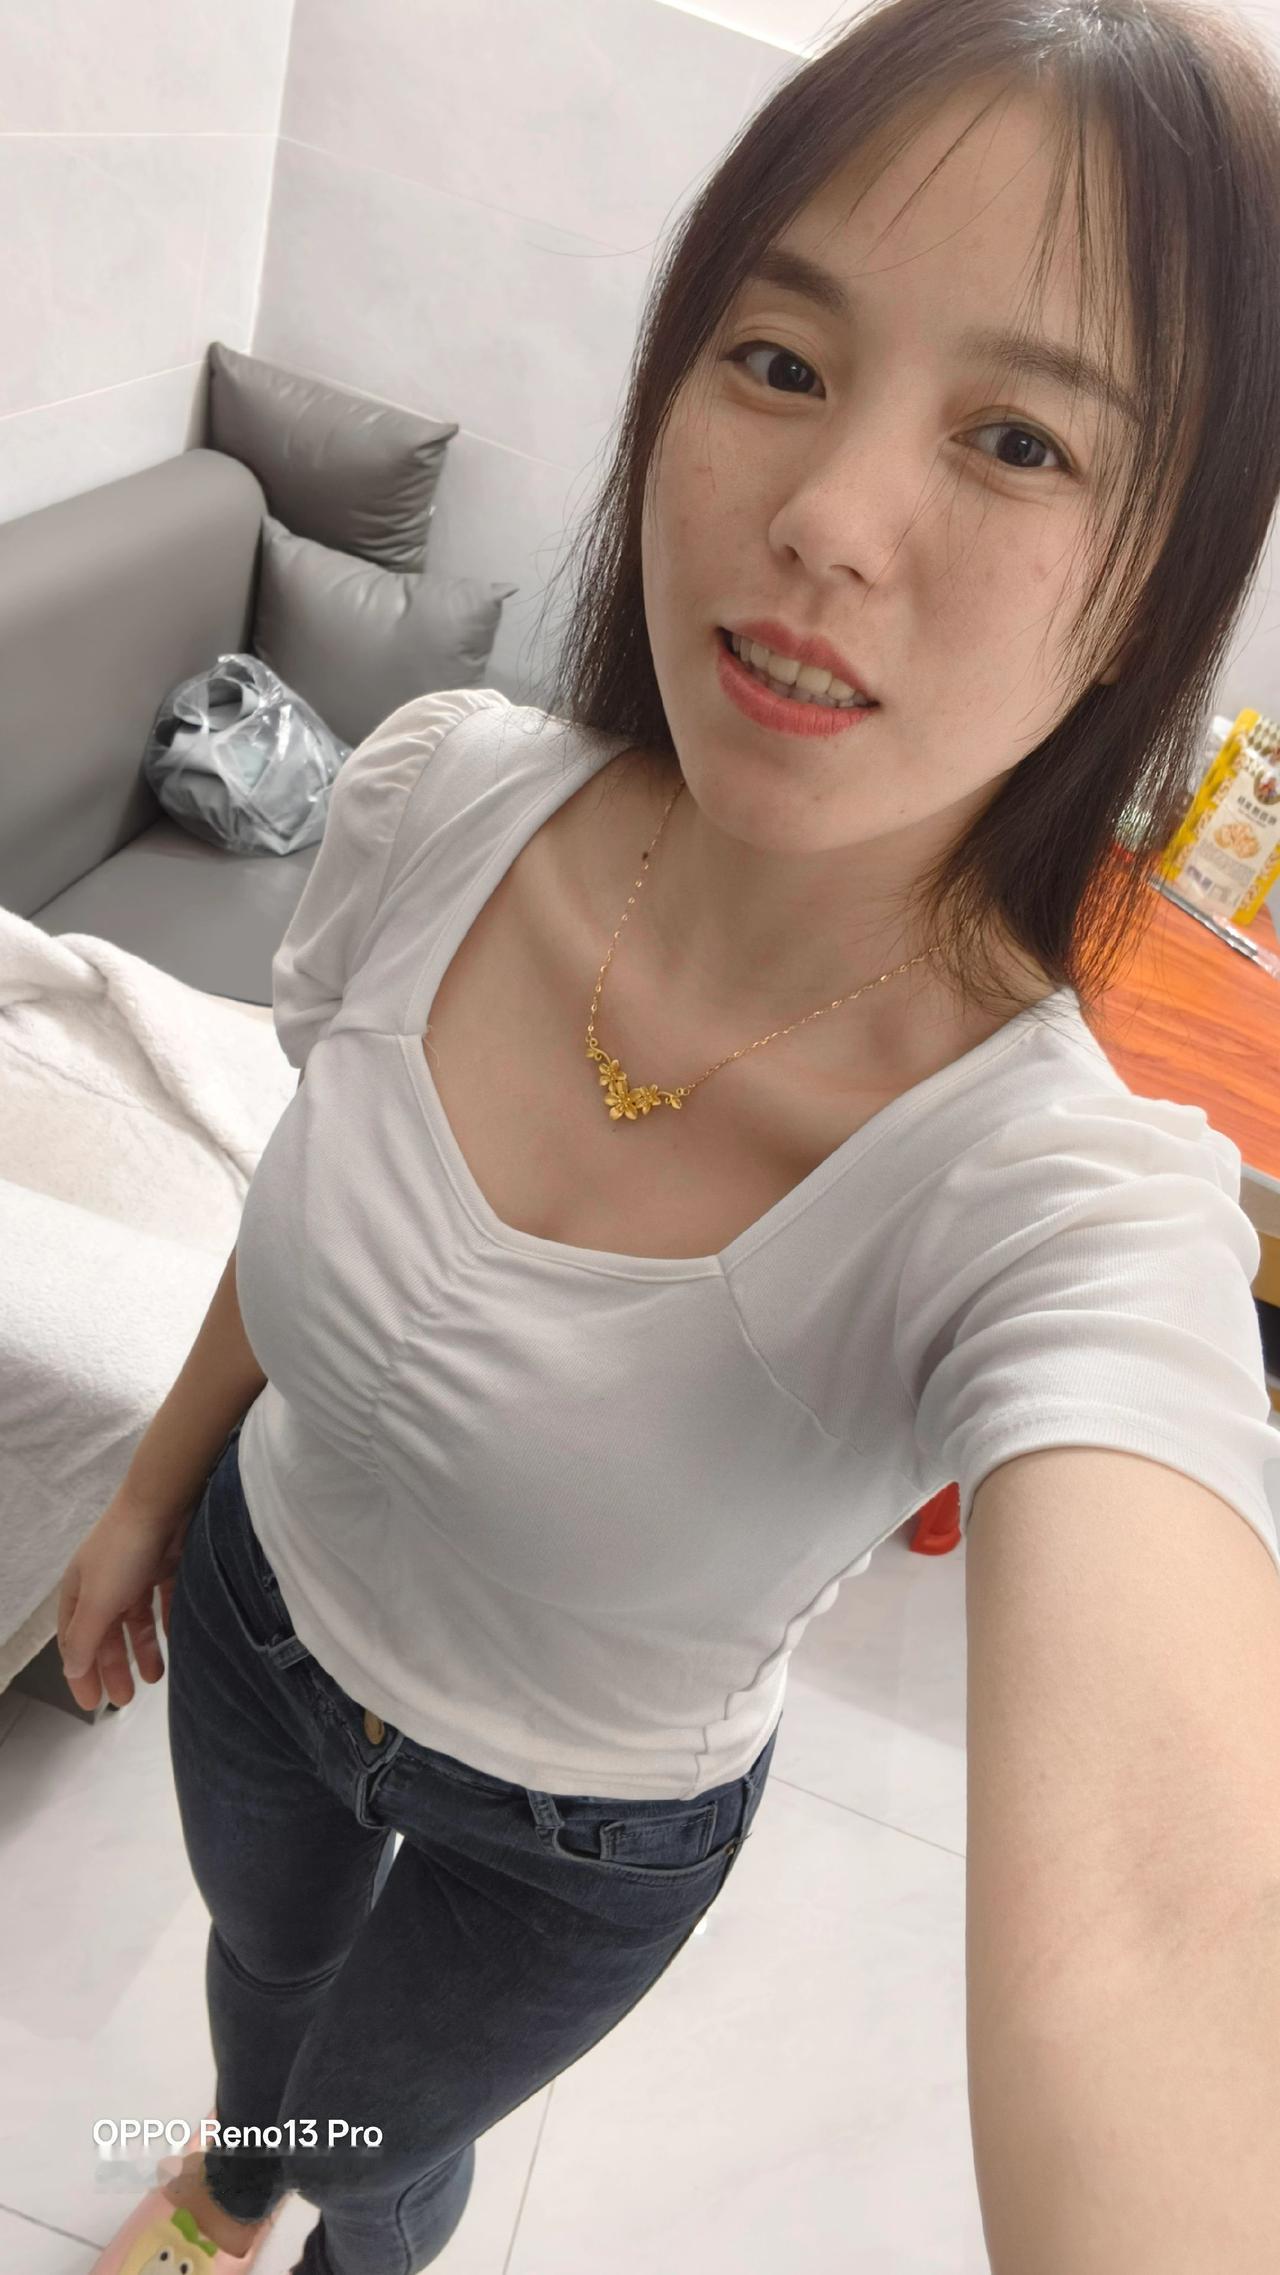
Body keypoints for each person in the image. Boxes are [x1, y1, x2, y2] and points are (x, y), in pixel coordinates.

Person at [58, 1, 1280, 2269]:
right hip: (252, 1611)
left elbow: (1164, 1944)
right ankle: (227, 2186)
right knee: (262, 2027)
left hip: (575, 1834)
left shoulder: (1052, 1203)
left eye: (1018, 439)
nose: (823, 520)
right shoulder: (436, 795)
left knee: (378, 2156)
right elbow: (307, 1186)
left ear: (1148, 583)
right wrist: (149, 1491)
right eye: (779, 360)